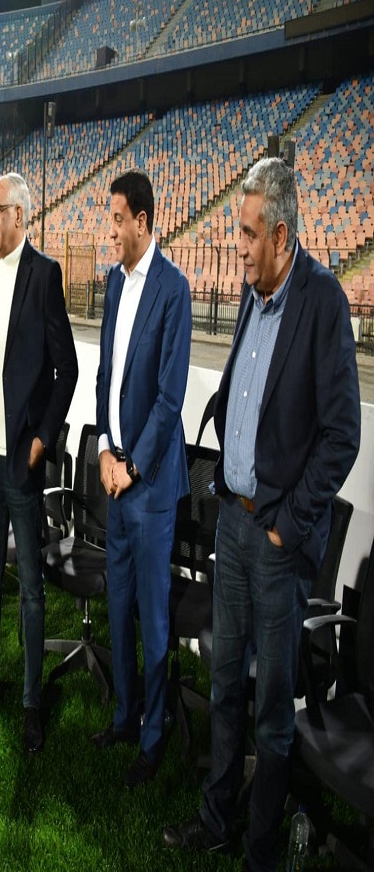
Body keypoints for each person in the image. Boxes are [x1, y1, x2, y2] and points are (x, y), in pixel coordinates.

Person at [162, 157, 360, 870]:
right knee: (224, 685)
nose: (237, 248)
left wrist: (288, 523)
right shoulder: (255, 291)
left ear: (280, 234)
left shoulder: (323, 302)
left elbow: (342, 435)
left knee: (273, 714)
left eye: (247, 234)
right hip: (235, 525)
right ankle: (218, 817)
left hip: (275, 542)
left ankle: (261, 850)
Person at [0, 172, 78, 753]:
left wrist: (42, 439)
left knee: (29, 586)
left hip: (22, 460)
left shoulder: (45, 275)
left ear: (21, 216)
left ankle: (30, 702)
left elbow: (66, 369)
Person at [92, 168, 192, 788]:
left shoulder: (174, 289)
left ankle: (154, 737)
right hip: (117, 477)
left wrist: (132, 467)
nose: (111, 230)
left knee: (153, 622)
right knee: (118, 607)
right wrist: (105, 449)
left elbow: (169, 399)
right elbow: (107, 376)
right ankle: (125, 717)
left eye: (117, 220)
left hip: (149, 488)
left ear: (143, 222)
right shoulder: (112, 283)